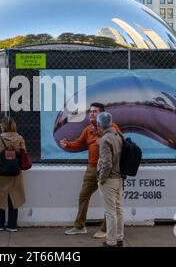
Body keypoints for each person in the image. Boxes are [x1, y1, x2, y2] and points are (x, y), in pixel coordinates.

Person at [62, 103, 120, 238]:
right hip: (92, 169)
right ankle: (79, 226)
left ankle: (105, 229)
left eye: (95, 111)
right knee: (83, 196)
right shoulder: (88, 130)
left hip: (107, 169)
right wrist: (68, 144)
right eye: (90, 111)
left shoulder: (112, 128)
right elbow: (78, 143)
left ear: (101, 115)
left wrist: (105, 141)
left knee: (108, 201)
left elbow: (120, 143)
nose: (91, 114)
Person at [0, 117, 26, 232]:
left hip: (0, 171)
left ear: (3, 126)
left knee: (0, 196)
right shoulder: (20, 138)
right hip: (15, 172)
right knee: (14, 197)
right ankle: (12, 225)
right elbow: (24, 152)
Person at [96, 112, 124, 247]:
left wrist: (101, 179)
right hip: (119, 178)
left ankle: (111, 242)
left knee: (110, 212)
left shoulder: (105, 139)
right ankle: (119, 238)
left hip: (109, 179)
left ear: (99, 124)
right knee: (118, 210)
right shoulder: (118, 135)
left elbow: (106, 163)